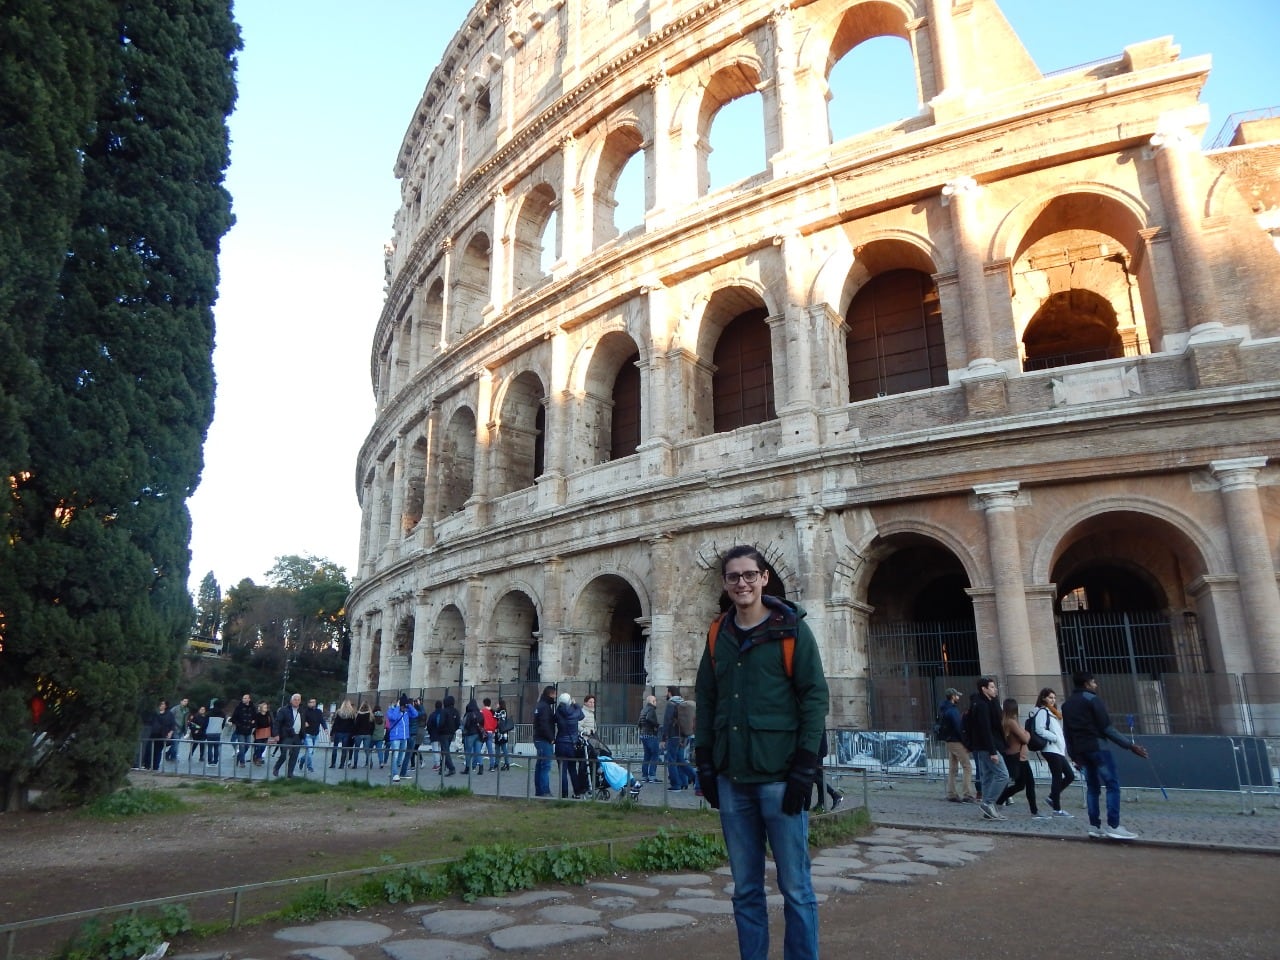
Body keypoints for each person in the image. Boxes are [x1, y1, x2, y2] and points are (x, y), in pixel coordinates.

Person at [694, 544, 829, 960]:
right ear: (725, 583)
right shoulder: (718, 634)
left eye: (750, 574)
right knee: (745, 888)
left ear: (764, 578)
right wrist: (704, 761)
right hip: (733, 777)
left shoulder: (792, 630)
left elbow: (814, 698)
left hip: (780, 776)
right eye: (734, 576)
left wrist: (806, 766)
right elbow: (707, 699)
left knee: (796, 887)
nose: (743, 583)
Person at [1061, 671, 1148, 840]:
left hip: (1081, 751)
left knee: (1092, 788)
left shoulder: (1067, 705)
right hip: (1098, 747)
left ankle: (1094, 826)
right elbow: (1107, 728)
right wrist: (1130, 745)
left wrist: (1073, 755)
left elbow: (1067, 733)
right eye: (1093, 682)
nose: (1096, 685)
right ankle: (1113, 826)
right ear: (1087, 683)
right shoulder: (1093, 700)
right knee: (1112, 784)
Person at [968, 676, 1011, 822]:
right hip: (988, 747)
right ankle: (988, 803)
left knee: (987, 777)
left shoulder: (989, 703)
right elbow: (985, 729)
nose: (995, 689)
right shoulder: (981, 705)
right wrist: (993, 751)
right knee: (1003, 775)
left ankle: (988, 809)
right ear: (984, 689)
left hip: (986, 746)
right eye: (991, 687)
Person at [994, 697, 1042, 818]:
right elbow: (1025, 738)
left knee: (1021, 784)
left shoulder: (1008, 721)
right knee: (1026, 784)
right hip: (1019, 757)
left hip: (1019, 756)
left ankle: (999, 802)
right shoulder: (1011, 722)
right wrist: (1028, 733)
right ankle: (1034, 811)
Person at [1032, 688, 1075, 817]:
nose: (1053, 700)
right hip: (1050, 749)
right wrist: (1054, 738)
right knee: (1057, 777)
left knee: (1070, 775)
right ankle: (1057, 809)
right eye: (1050, 697)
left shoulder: (1053, 713)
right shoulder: (1042, 711)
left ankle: (1052, 797)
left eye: (1054, 698)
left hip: (1058, 749)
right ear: (1043, 698)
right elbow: (1039, 729)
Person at [938, 687, 975, 803]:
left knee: (953, 768)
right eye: (957, 695)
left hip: (949, 741)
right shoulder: (953, 710)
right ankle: (967, 794)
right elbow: (959, 728)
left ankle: (951, 793)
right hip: (956, 741)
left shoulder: (944, 709)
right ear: (953, 697)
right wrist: (967, 743)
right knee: (967, 766)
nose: (958, 697)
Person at [554, 691, 587, 798]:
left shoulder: (558, 711)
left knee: (562, 771)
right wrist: (575, 704)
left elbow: (554, 719)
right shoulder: (575, 712)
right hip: (572, 744)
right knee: (572, 769)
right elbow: (581, 716)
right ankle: (577, 792)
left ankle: (564, 794)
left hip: (560, 743)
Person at [661, 685, 690, 790]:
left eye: (667, 692)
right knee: (680, 760)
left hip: (673, 736)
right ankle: (685, 781)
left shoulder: (671, 704)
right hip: (683, 736)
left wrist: (663, 738)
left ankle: (676, 784)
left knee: (671, 761)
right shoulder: (683, 703)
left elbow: (667, 721)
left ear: (670, 693)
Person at [386, 694, 417, 783]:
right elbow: (393, 718)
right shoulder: (391, 710)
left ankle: (394, 770)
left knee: (401, 757)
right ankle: (395, 774)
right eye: (403, 707)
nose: (404, 708)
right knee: (395, 755)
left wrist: (409, 705)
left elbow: (415, 714)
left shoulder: (406, 711)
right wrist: (397, 707)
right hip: (395, 737)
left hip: (404, 737)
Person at [273, 693, 305, 778]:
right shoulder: (284, 710)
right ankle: (276, 767)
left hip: (298, 736)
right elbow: (277, 722)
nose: (296, 701)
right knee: (284, 753)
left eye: (298, 700)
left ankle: (290, 773)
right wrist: (276, 734)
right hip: (287, 735)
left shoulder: (302, 711)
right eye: (295, 699)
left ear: (300, 701)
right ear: (291, 700)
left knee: (294, 755)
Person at [532, 685, 556, 796]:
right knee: (545, 766)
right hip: (544, 740)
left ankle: (539, 791)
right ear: (550, 694)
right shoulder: (545, 707)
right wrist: (551, 738)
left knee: (540, 766)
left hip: (539, 738)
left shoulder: (540, 705)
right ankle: (545, 791)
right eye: (554, 694)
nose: (555, 697)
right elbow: (544, 724)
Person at [147, 699, 177, 770]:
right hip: (152, 734)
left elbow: (172, 725)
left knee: (158, 751)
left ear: (166, 705)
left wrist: (170, 733)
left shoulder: (169, 714)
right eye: (160, 704)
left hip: (162, 734)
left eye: (163, 704)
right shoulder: (154, 713)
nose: (161, 705)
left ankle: (155, 766)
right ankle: (147, 765)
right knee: (149, 750)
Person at [434, 694, 460, 777]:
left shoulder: (444, 711)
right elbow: (458, 723)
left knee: (445, 751)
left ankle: (451, 768)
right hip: (451, 733)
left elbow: (441, 722)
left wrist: (439, 730)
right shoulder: (456, 711)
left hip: (443, 733)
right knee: (444, 750)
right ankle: (442, 768)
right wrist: (454, 729)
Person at [638, 693, 661, 783]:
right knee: (655, 755)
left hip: (643, 735)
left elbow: (639, 722)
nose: (656, 703)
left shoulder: (643, 710)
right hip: (650, 735)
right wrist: (656, 725)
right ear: (653, 701)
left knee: (646, 756)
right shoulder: (651, 710)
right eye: (655, 701)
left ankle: (644, 776)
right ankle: (652, 776)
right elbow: (649, 719)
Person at [230, 693, 256, 768]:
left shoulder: (252, 707)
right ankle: (242, 762)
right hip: (240, 730)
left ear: (249, 699)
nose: (243, 699)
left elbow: (255, 717)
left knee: (247, 746)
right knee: (242, 746)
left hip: (248, 730)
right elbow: (234, 718)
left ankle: (239, 756)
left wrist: (253, 722)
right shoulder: (239, 707)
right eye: (243, 698)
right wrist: (239, 724)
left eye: (245, 698)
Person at [301, 697, 327, 773]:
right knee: (310, 751)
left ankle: (301, 760)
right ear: (308, 703)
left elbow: (322, 720)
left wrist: (325, 728)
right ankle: (310, 767)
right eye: (311, 702)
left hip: (316, 734)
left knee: (311, 752)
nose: (313, 704)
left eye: (314, 702)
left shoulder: (319, 711)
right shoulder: (305, 711)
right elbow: (301, 719)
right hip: (308, 734)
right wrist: (304, 722)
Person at [329, 700, 356, 768]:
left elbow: (335, 723)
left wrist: (332, 732)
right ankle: (342, 764)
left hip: (338, 732)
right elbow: (353, 725)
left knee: (335, 748)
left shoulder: (339, 712)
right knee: (344, 749)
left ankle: (333, 764)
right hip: (347, 732)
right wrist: (353, 733)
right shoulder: (352, 713)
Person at [462, 699, 485, 774]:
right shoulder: (480, 714)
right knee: (478, 751)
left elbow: (466, 724)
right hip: (479, 734)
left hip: (470, 734)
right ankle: (481, 767)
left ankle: (467, 768)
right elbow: (483, 724)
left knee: (468, 751)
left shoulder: (468, 714)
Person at [167, 697, 190, 761]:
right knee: (176, 743)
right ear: (181, 701)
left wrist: (186, 728)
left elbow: (186, 719)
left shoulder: (187, 709)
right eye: (184, 701)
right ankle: (173, 757)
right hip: (175, 728)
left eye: (187, 701)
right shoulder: (175, 708)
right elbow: (169, 715)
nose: (186, 702)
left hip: (182, 729)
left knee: (176, 743)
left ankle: (168, 753)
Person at [353, 701, 375, 768]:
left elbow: (356, 725)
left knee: (356, 749)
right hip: (368, 734)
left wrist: (354, 733)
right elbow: (373, 726)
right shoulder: (371, 715)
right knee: (367, 749)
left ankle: (355, 764)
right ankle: (370, 762)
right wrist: (371, 733)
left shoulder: (359, 715)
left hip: (359, 734)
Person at [251, 700, 274, 765]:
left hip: (266, 733)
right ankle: (258, 759)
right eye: (264, 707)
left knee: (263, 747)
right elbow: (255, 724)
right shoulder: (257, 715)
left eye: (266, 707)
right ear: (261, 708)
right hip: (258, 732)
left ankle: (256, 756)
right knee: (259, 746)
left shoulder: (268, 715)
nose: (266, 708)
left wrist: (272, 733)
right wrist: (254, 724)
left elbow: (271, 723)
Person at [204, 701, 225, 768]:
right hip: (218, 732)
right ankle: (215, 761)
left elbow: (205, 723)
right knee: (216, 748)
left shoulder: (209, 713)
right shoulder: (222, 714)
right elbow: (223, 724)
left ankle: (210, 761)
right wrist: (220, 729)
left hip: (209, 732)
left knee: (210, 747)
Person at [493, 698, 512, 771]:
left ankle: (506, 763)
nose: (496, 705)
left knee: (504, 748)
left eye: (498, 703)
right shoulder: (500, 711)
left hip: (502, 732)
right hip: (499, 732)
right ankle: (497, 763)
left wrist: (492, 710)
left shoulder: (503, 711)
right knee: (497, 748)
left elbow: (496, 716)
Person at [481, 697, 498, 770]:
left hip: (483, 732)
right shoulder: (493, 712)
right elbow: (496, 722)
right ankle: (492, 766)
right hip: (491, 731)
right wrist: (493, 729)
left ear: (484, 703)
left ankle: (475, 765)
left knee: (479, 748)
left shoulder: (482, 711)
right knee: (490, 750)